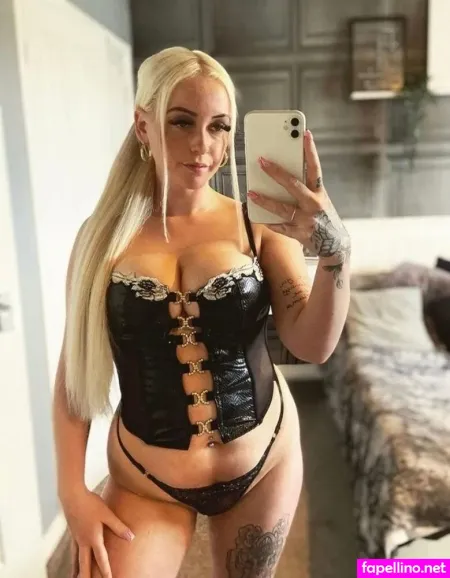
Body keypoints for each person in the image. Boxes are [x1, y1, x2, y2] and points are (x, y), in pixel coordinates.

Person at [52, 46, 351, 578]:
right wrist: (72, 492)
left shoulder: (258, 225)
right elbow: (73, 375)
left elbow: (313, 344)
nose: (203, 145)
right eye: (182, 122)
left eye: (219, 126)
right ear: (142, 126)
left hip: (263, 461)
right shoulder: (100, 241)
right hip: (145, 480)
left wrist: (335, 252)